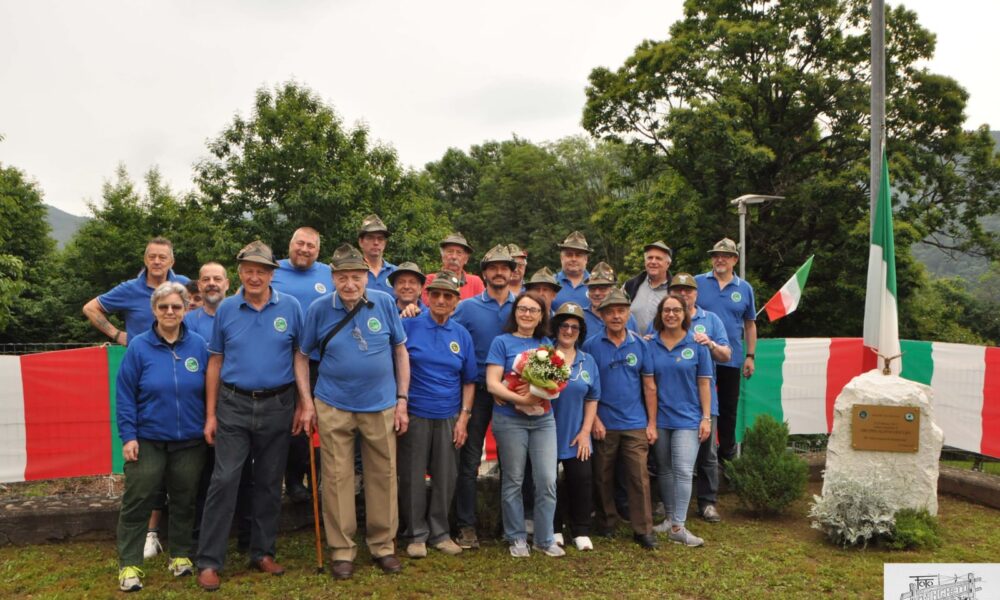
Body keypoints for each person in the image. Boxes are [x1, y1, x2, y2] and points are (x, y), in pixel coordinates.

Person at [196, 241, 314, 591]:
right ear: (240, 273)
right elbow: (215, 362)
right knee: (225, 479)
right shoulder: (227, 310)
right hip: (233, 405)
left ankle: (262, 552)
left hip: (278, 405)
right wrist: (210, 414)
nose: (254, 275)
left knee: (268, 482)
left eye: (261, 270)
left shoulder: (291, 307)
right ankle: (209, 561)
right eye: (248, 269)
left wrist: (304, 403)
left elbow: (300, 357)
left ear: (272, 274)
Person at [299, 244, 410, 581]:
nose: (350, 284)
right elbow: (302, 356)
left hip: (381, 404)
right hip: (333, 403)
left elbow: (400, 352)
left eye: (356, 276)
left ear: (366, 276)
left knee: (384, 475)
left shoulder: (386, 302)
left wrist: (402, 398)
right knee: (335, 477)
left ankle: (383, 546)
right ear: (333, 278)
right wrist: (306, 402)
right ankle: (342, 550)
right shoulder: (318, 309)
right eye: (343, 277)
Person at [115, 282, 208, 592]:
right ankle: (130, 563)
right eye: (164, 307)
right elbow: (125, 395)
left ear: (185, 310)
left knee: (184, 498)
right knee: (138, 499)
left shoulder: (199, 345)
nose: (170, 312)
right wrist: (128, 436)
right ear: (154, 310)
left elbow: (210, 390)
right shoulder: (139, 347)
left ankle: (180, 555)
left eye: (176, 307)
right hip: (148, 439)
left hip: (190, 440)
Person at [397, 271, 476, 558]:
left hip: (448, 416)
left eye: (448, 296)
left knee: (446, 476)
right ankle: (415, 533)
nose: (441, 300)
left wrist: (464, 417)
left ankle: (440, 532)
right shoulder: (409, 325)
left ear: (456, 301)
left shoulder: (461, 334)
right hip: (415, 412)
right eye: (437, 294)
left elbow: (469, 380)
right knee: (412, 476)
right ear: (427, 297)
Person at [486, 292, 563, 558]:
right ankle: (516, 537)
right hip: (510, 420)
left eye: (533, 310)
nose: (527, 314)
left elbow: (557, 381)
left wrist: (543, 394)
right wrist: (521, 397)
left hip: (543, 421)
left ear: (542, 316)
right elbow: (492, 383)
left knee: (546, 480)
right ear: (515, 312)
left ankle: (544, 538)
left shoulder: (547, 344)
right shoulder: (501, 342)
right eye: (522, 309)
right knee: (514, 480)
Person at [450, 244, 517, 550]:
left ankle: (512, 524)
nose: (499, 272)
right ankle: (465, 525)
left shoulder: (524, 306)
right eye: (493, 267)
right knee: (469, 459)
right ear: (484, 272)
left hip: (514, 393)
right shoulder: (467, 307)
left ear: (512, 272)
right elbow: (453, 343)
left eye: (505, 267)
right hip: (476, 391)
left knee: (514, 461)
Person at [581, 289, 658, 550]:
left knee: (639, 477)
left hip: (635, 423)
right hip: (604, 422)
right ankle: (607, 523)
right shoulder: (590, 345)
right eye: (610, 311)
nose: (616, 316)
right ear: (601, 315)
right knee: (602, 476)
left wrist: (651, 423)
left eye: (621, 311)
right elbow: (586, 387)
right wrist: (594, 421)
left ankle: (643, 529)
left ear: (628, 314)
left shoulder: (640, 344)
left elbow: (649, 386)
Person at [272, 227, 333, 502]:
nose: (305, 249)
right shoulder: (272, 270)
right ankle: (294, 482)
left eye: (311, 246)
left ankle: (320, 482)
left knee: (321, 422)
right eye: (300, 243)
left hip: (323, 361)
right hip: (283, 361)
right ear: (290, 244)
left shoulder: (328, 274)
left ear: (318, 251)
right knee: (293, 422)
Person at [664, 273, 731, 523]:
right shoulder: (664, 318)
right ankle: (669, 505)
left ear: (696, 294)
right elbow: (650, 342)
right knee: (668, 457)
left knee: (707, 454)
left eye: (688, 290)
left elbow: (727, 354)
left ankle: (707, 502)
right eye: (677, 290)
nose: (683, 294)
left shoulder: (711, 320)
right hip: (670, 401)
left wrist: (711, 344)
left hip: (703, 400)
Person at [647, 295, 713, 547]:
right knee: (664, 469)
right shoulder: (650, 343)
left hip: (688, 418)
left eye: (676, 310)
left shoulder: (697, 344)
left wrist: (706, 417)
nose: (671, 314)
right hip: (660, 418)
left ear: (685, 314)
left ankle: (678, 526)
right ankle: (669, 518)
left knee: (684, 470)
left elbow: (704, 383)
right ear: (660, 314)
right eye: (666, 310)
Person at [695, 238, 757, 463]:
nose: (719, 259)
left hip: (731, 359)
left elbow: (750, 324)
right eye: (715, 255)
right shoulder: (697, 282)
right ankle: (698, 459)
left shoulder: (744, 288)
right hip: (700, 358)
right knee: (700, 408)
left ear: (734, 259)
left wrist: (750, 356)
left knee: (729, 409)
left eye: (725, 255)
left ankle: (726, 459)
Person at [548, 302, 600, 552]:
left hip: (575, 432)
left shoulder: (588, 361)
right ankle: (554, 528)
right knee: (549, 482)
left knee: (581, 479)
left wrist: (585, 433)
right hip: (545, 431)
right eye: (564, 326)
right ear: (556, 328)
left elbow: (592, 399)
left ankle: (580, 530)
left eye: (574, 327)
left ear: (581, 332)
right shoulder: (543, 355)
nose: (568, 331)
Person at [83, 237, 189, 345]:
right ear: (145, 260)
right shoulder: (129, 289)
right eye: (152, 257)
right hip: (140, 358)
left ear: (172, 262)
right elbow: (90, 308)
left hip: (180, 355)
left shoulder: (185, 285)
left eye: (162, 257)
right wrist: (116, 334)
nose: (156, 261)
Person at [622, 241, 673, 335]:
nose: (653, 262)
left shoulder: (675, 289)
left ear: (668, 263)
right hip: (632, 345)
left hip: (662, 347)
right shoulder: (630, 285)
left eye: (658, 258)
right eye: (650, 258)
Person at [423, 232, 484, 301]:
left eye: (459, 253)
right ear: (442, 257)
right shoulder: (430, 280)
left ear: (466, 259)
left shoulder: (475, 282)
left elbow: (482, 307)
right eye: (450, 251)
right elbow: (427, 305)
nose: (454, 257)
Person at [582, 262, 637, 337]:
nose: (597, 293)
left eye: (602, 289)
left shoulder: (627, 317)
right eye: (592, 288)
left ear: (612, 291)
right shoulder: (581, 317)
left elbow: (637, 344)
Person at [183, 262, 230, 341]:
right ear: (199, 285)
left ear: (227, 284)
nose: (211, 283)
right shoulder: (187, 320)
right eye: (206, 279)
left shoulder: (241, 317)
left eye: (217, 279)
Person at [357, 214, 397, 297]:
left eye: (380, 238)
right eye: (370, 238)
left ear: (385, 243)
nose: (376, 242)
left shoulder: (396, 272)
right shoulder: (351, 272)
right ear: (361, 242)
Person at [552, 231, 591, 310]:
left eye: (578, 255)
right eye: (569, 255)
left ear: (586, 259)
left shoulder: (597, 285)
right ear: (561, 258)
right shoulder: (550, 283)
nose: (573, 259)